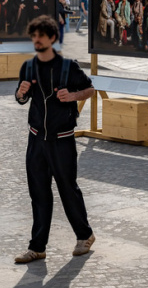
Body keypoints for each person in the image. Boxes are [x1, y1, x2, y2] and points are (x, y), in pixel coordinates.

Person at [14, 16, 96, 264]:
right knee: (38, 193)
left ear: (52, 38)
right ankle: (37, 247)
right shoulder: (28, 67)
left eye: (41, 36)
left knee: (67, 190)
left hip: (62, 140)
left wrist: (72, 96)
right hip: (36, 140)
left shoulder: (68, 66)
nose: (37, 40)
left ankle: (85, 235)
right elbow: (20, 97)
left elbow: (90, 90)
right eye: (34, 36)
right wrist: (20, 93)